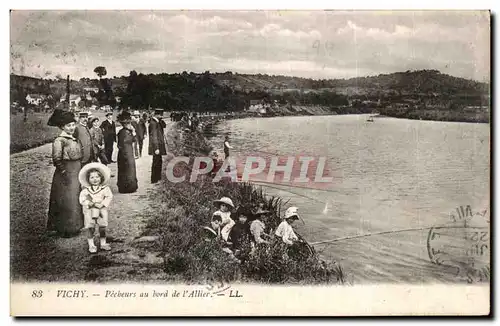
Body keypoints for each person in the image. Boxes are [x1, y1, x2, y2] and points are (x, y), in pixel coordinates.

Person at [46, 109, 84, 237]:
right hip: (66, 172)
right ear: (62, 127)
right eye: (68, 125)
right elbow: (56, 158)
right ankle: (65, 228)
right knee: (66, 199)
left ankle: (75, 225)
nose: (72, 127)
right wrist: (64, 172)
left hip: (76, 170)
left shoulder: (74, 138)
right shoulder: (60, 140)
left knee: (76, 198)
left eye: (73, 125)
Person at [78, 162, 113, 253]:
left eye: (97, 177)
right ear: (88, 179)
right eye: (92, 177)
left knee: (102, 227)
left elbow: (109, 197)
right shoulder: (86, 191)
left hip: (101, 211)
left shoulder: (105, 188)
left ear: (101, 178)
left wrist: (103, 204)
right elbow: (82, 199)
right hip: (89, 211)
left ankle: (103, 243)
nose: (95, 179)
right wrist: (90, 203)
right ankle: (91, 245)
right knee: (90, 227)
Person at [116, 111, 138, 193]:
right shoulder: (122, 132)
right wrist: (125, 155)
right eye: (128, 124)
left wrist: (134, 132)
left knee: (130, 170)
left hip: (129, 153)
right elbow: (120, 145)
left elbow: (135, 140)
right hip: (124, 154)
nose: (130, 125)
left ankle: (131, 187)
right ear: (125, 124)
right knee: (125, 170)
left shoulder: (129, 131)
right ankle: (125, 188)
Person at [148, 108, 167, 183]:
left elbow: (164, 125)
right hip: (156, 146)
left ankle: (158, 177)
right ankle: (154, 179)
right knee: (156, 162)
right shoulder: (153, 123)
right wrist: (156, 148)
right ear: (157, 115)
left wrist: (160, 120)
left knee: (159, 161)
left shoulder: (158, 122)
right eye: (161, 115)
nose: (162, 116)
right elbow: (154, 136)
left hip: (159, 145)